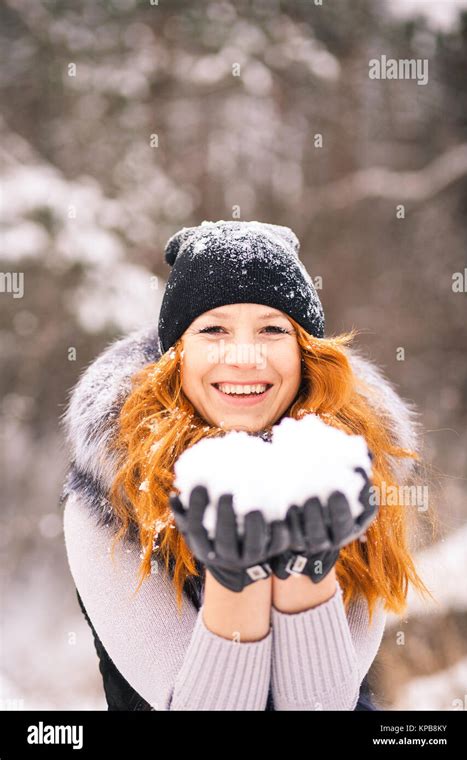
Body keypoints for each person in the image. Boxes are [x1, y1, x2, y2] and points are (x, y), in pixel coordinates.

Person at [61, 220, 430, 710]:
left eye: (272, 329)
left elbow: (324, 706)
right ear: (177, 354)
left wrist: (305, 570)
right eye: (213, 329)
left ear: (305, 353)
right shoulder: (108, 497)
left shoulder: (358, 471)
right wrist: (238, 581)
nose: (243, 356)